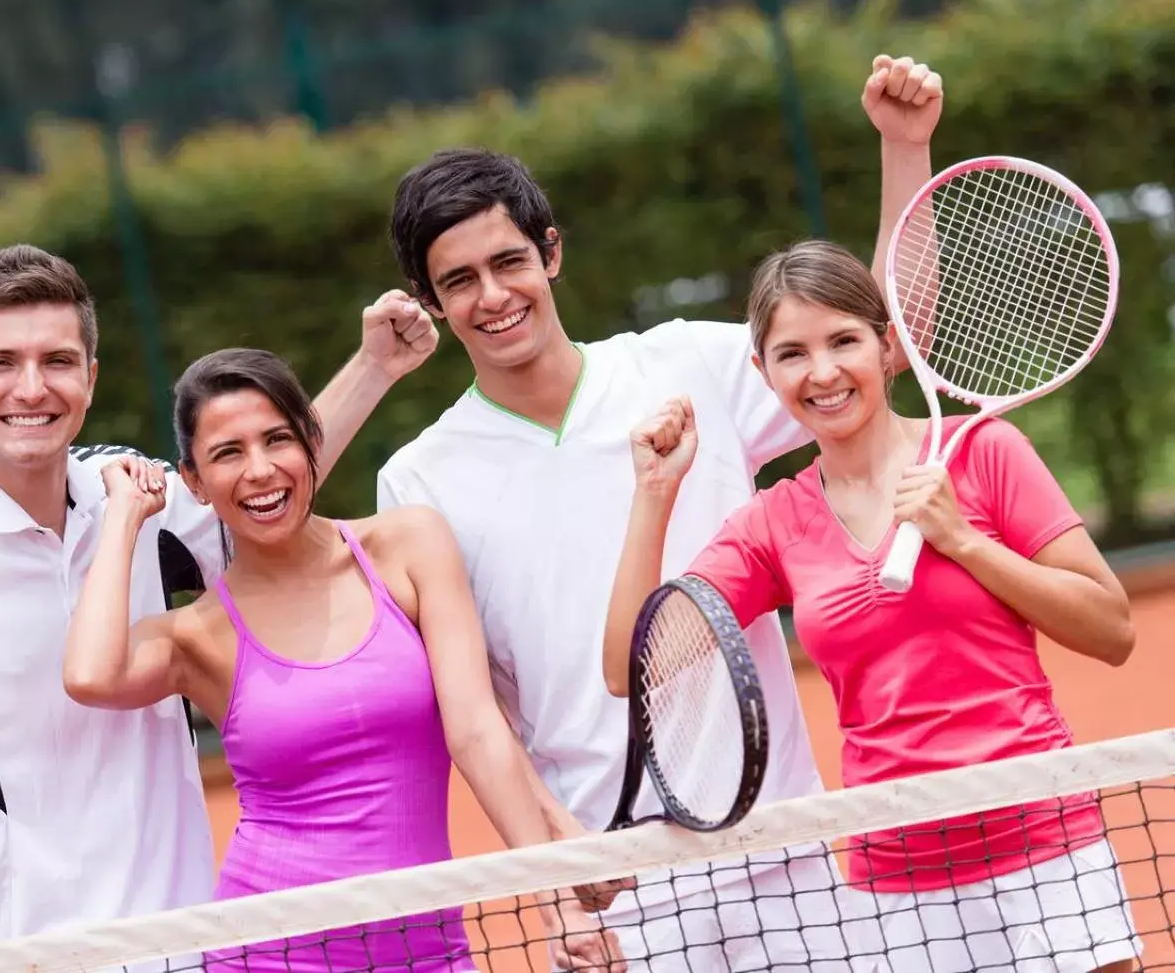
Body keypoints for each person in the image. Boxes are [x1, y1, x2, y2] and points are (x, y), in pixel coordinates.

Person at [374, 54, 944, 972]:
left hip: (779, 840)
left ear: (551, 252)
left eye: (509, 261)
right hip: (619, 879)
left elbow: (891, 341)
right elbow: (477, 712)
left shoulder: (690, 364)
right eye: (459, 281)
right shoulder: (419, 479)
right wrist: (559, 877)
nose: (493, 297)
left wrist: (904, 148)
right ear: (433, 303)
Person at [0, 244, 442, 949]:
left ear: (90, 378)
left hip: (201, 944)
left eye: (57, 361)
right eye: (0, 363)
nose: (31, 388)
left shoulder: (127, 489)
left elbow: (265, 486)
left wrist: (374, 368)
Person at [602, 239, 1141, 973]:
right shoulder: (773, 523)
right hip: (896, 882)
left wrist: (965, 542)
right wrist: (654, 494)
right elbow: (631, 667)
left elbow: (1112, 629)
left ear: (888, 347)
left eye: (844, 341)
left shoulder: (986, 451)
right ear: (763, 373)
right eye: (791, 353)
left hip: (1045, 848)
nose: (821, 373)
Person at [62, 346, 622, 973]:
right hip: (270, 952)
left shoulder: (408, 544)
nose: (260, 470)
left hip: (431, 950)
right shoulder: (197, 635)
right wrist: (124, 519)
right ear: (193, 482)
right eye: (227, 453)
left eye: (278, 439)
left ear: (311, 443)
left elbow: (478, 730)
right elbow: (90, 674)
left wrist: (554, 900)